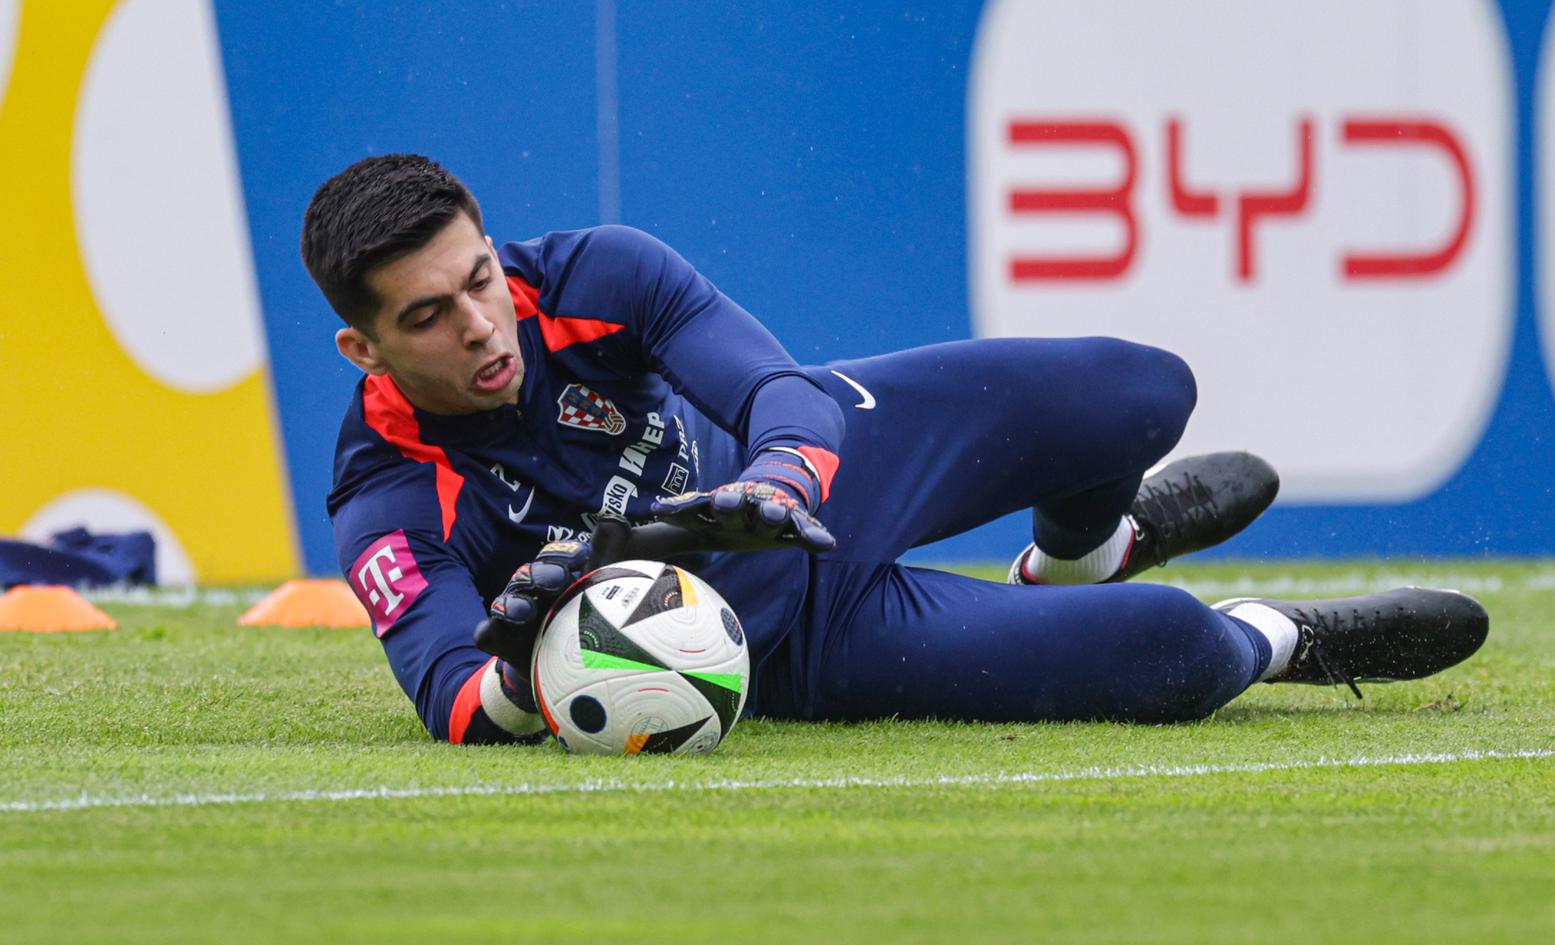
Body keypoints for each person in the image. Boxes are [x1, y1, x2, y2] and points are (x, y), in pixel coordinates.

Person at [303, 154, 1488, 745]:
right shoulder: (384, 495)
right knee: (1177, 654)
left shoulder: (588, 276)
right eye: (428, 318)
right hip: (780, 640)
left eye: (476, 281)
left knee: (1140, 389)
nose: (478, 326)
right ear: (364, 349)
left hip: (823, 482)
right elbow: (446, 690)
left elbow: (777, 391)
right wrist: (515, 676)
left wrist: (772, 480)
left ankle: (1084, 552)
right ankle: (1283, 637)